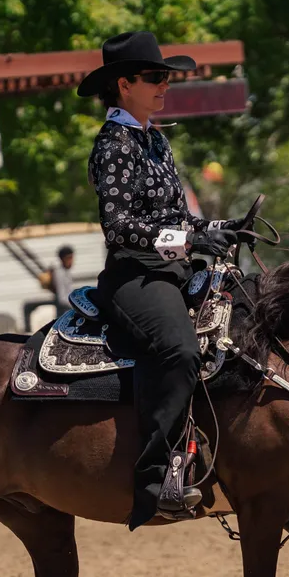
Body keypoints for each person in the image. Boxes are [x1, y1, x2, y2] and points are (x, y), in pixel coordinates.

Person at [77, 31, 241, 529]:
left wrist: (217, 229)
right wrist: (189, 244)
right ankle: (156, 473)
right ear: (124, 84)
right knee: (180, 350)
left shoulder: (155, 138)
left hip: (172, 269)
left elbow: (176, 217)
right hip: (134, 278)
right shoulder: (113, 146)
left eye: (166, 76)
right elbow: (121, 228)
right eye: (155, 77)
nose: (165, 84)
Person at [52, 245, 76, 312]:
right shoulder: (59, 273)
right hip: (64, 311)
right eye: (69, 258)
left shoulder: (66, 272)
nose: (71, 261)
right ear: (62, 259)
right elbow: (62, 298)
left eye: (72, 258)